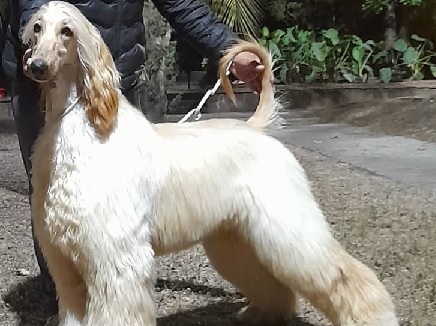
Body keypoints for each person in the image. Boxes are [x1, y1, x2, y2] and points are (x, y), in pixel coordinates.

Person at [1, 0, 268, 297]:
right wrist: (42, 41)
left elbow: (180, 4)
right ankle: (67, 311)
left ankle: (116, 316)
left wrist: (227, 49)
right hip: (37, 83)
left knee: (118, 219)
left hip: (108, 78)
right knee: (54, 204)